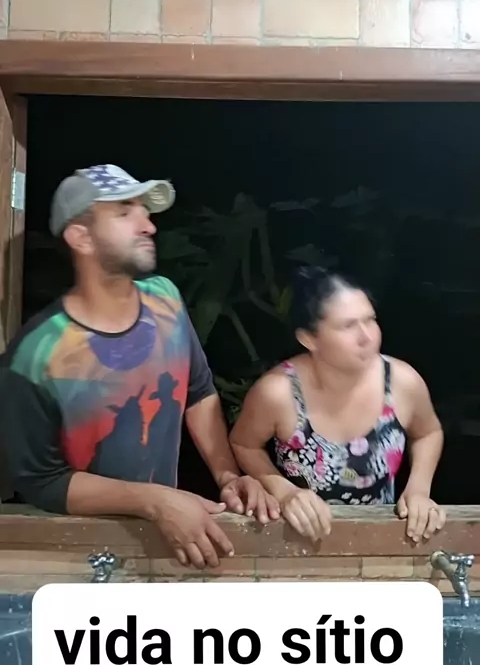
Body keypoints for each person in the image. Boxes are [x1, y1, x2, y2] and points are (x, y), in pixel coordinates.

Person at [0, 164, 279, 570]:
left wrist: (227, 477)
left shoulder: (165, 299)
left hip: (165, 543)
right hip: (78, 557)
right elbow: (41, 481)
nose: (148, 225)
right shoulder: (38, 352)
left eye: (144, 211)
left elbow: (198, 393)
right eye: (124, 212)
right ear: (81, 237)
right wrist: (154, 500)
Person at [230, 265, 446, 545]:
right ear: (308, 339)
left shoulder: (402, 381)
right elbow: (244, 444)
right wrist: (282, 490)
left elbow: (428, 432)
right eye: (348, 326)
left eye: (370, 320)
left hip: (381, 540)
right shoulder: (278, 392)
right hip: (295, 542)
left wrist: (418, 488)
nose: (366, 336)